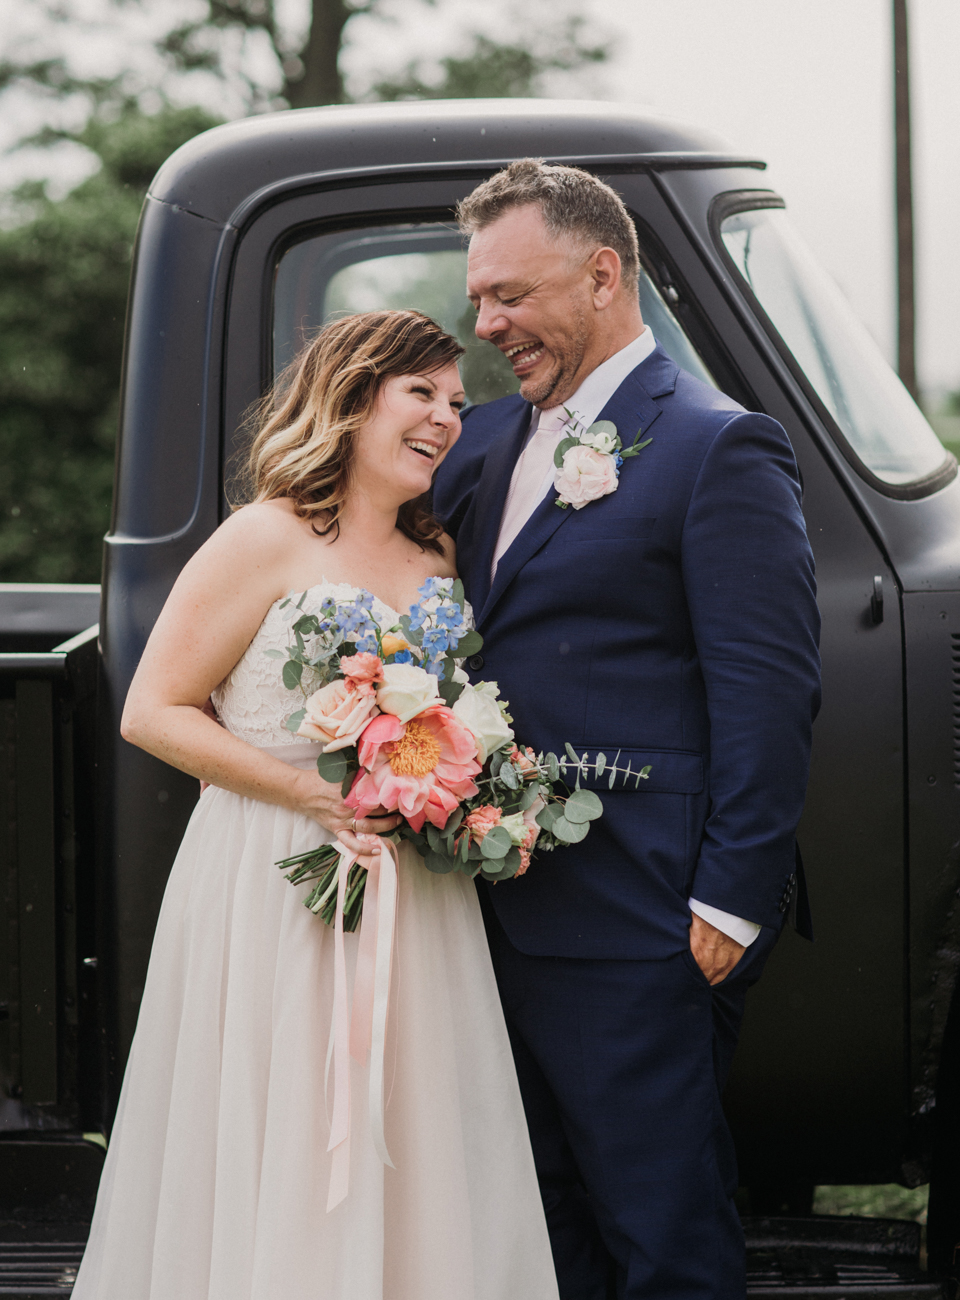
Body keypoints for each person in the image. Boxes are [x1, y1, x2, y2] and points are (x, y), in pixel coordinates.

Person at [72, 310, 560, 1300]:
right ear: (351, 394)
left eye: (457, 400)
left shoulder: (437, 559)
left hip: (414, 897)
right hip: (274, 876)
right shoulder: (265, 536)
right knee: (284, 1114)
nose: (446, 418)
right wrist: (310, 791)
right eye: (420, 392)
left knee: (416, 1125)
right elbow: (153, 711)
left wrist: (467, 791)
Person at [432, 160, 822, 1299]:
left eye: (511, 295)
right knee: (545, 1231)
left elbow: (768, 689)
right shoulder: (482, 444)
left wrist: (729, 904)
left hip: (643, 916)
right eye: (479, 298)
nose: (486, 324)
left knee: (662, 1233)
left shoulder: (715, 445)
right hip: (492, 914)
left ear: (604, 276)